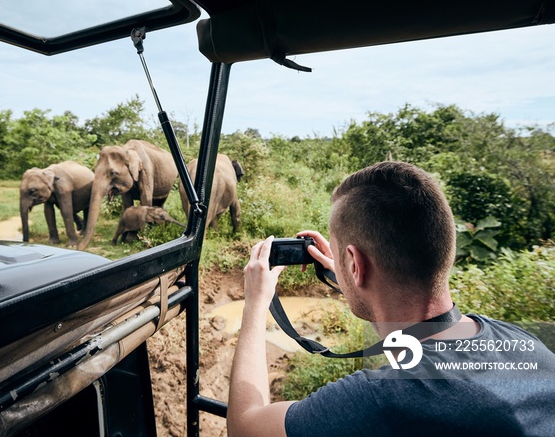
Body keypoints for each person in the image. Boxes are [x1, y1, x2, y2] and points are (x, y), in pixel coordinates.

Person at [227, 161, 555, 437]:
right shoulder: (521, 341)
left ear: (356, 264)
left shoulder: (386, 397)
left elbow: (245, 426)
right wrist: (347, 276)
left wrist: (257, 303)